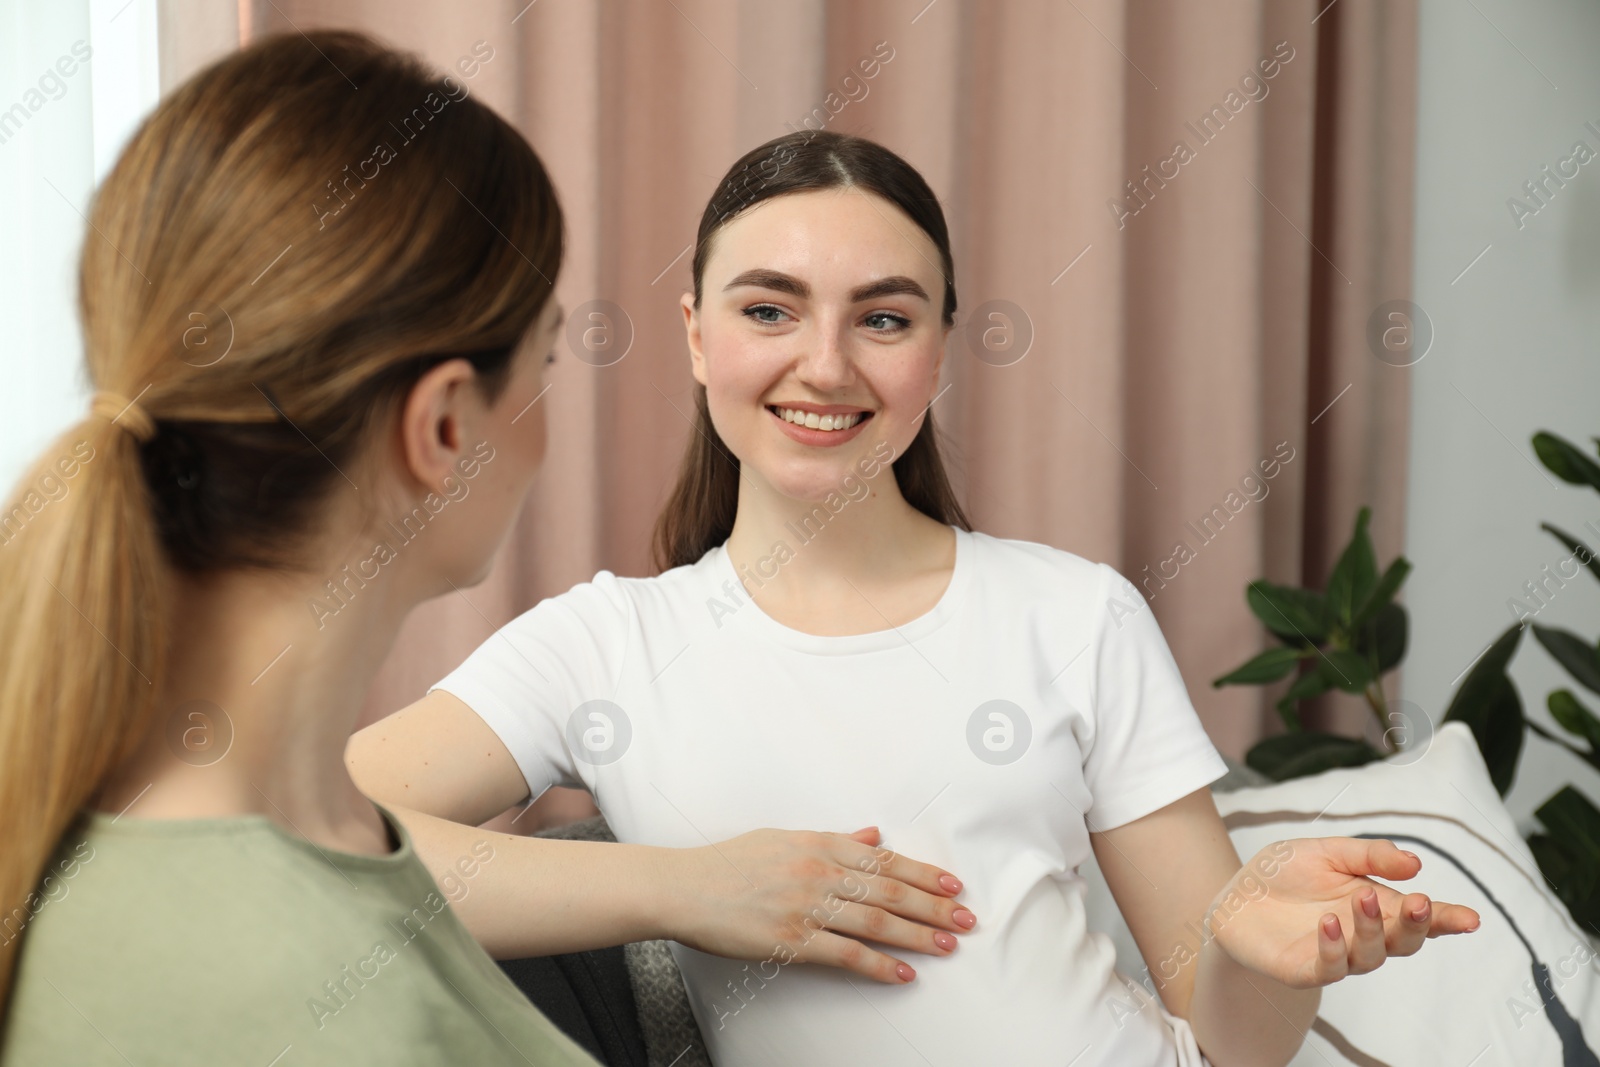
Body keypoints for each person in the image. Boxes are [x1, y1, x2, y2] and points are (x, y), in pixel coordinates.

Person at [348, 133, 1480, 1066]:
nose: (826, 365)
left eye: (883, 318)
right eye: (768, 310)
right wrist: (685, 887)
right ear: (695, 335)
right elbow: (305, 841)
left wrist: (1266, 946)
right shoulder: (603, 645)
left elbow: (1231, 1042)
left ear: (938, 350)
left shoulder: (1075, 613)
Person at [0, 34, 958, 1066]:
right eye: (543, 357)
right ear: (446, 426)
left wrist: (689, 884)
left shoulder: (236, 852)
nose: (824, 365)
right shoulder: (281, 989)